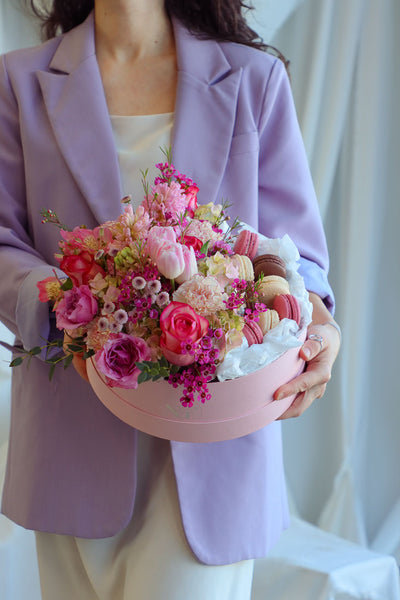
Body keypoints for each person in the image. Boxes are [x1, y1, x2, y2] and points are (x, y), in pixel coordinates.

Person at [0, 0, 340, 598]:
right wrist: (77, 303)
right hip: (71, 435)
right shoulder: (17, 80)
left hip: (218, 440)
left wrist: (316, 324)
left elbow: (299, 257)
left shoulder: (253, 80)